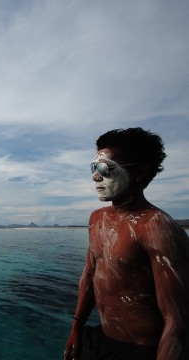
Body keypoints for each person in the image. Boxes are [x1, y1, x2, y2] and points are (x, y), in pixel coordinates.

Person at [64, 128, 189, 360]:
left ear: (139, 172)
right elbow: (89, 275)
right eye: (94, 168)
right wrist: (76, 327)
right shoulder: (97, 219)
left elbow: (177, 321)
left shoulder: (156, 228)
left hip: (141, 351)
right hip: (100, 340)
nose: (94, 176)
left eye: (104, 168)